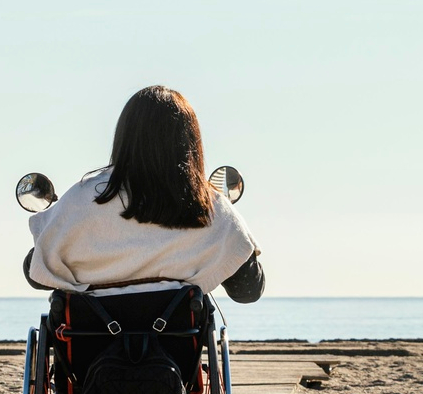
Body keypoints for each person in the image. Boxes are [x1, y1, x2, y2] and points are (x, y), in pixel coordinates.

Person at [22, 85, 264, 302]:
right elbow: (248, 291)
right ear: (189, 142)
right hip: (174, 347)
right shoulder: (211, 207)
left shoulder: (82, 198)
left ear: (125, 136)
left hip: (89, 347)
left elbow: (36, 275)